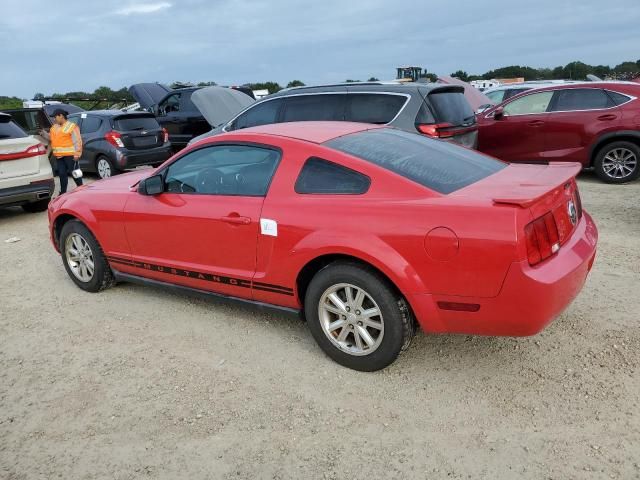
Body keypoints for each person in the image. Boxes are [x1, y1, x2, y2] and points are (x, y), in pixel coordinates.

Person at [40, 109, 83, 194]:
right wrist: (43, 134)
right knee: (62, 174)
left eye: (55, 117)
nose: (54, 119)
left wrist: (77, 154)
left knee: (75, 173)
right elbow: (52, 139)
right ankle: (63, 193)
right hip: (59, 156)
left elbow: (77, 141)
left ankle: (82, 189)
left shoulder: (72, 126)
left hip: (71, 155)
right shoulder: (54, 128)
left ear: (61, 116)